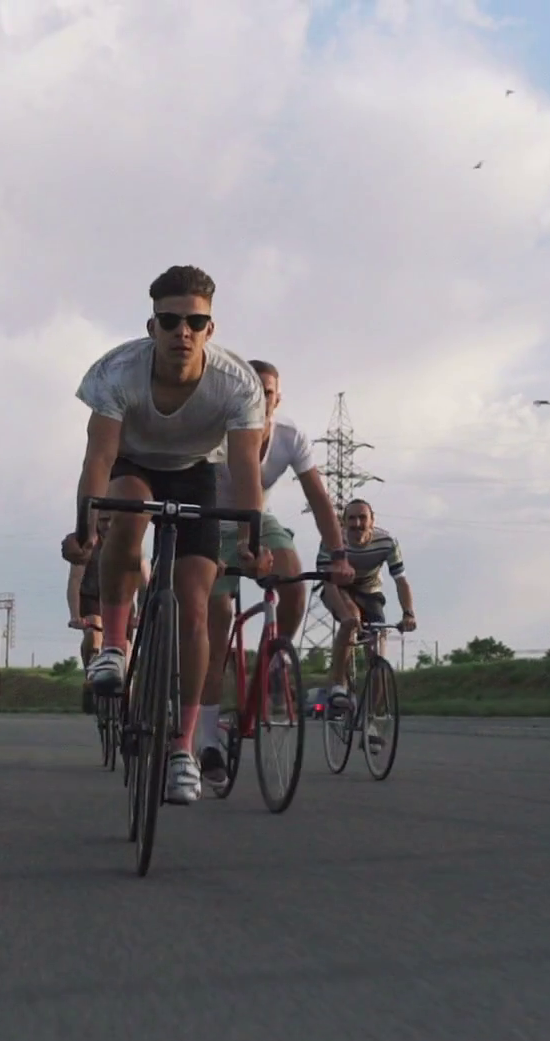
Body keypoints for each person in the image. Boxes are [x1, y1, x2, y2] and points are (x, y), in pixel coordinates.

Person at [61, 265, 270, 805]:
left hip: (196, 470)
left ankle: (182, 748)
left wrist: (250, 541)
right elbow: (98, 457)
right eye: (170, 320)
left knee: (196, 604)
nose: (183, 331)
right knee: (127, 506)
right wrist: (85, 525)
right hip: (134, 462)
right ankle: (114, 644)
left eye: (194, 322)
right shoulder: (117, 372)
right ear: (151, 326)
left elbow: (245, 472)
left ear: (209, 329)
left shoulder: (237, 382)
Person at [196, 360, 352, 788]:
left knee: (294, 582)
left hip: (258, 521)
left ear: (277, 399)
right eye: (253, 390)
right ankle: (208, 742)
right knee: (217, 624)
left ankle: (275, 660)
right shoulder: (217, 432)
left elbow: (319, 498)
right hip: (212, 524)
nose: (261, 398)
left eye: (269, 392)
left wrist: (338, 552)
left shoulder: (289, 437)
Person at [317, 499, 418, 729]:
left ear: (373, 522)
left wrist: (408, 613)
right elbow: (329, 584)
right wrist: (346, 617)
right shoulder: (333, 541)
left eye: (363, 518)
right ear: (343, 522)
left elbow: (400, 580)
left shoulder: (387, 542)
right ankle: (338, 687)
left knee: (377, 653)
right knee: (351, 619)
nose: (357, 524)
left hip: (370, 591)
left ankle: (369, 719)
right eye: (351, 518)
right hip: (337, 587)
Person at [65, 510, 148, 716]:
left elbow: (146, 582)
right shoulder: (89, 544)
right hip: (92, 597)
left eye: (112, 520)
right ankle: (91, 677)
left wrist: (144, 613)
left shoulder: (131, 543)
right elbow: (75, 581)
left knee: (126, 650)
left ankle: (126, 699)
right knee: (94, 632)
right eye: (103, 521)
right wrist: (75, 615)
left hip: (123, 599)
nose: (108, 526)